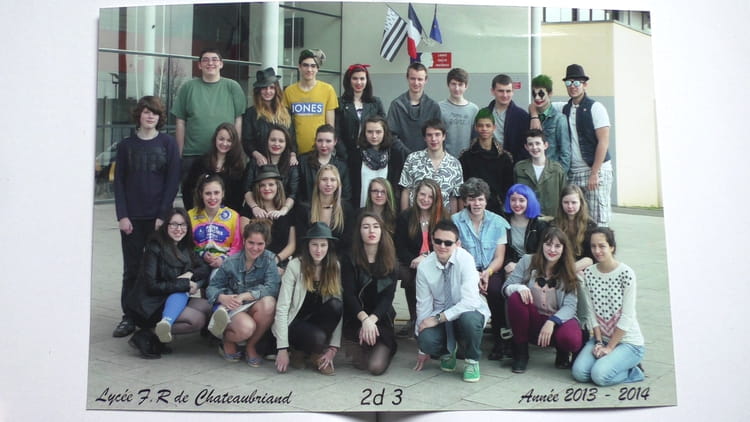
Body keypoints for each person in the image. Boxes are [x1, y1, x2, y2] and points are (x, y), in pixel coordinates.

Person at [113, 95, 181, 338]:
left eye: (155, 113)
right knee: (132, 269)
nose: (150, 116)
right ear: (139, 115)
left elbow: (172, 182)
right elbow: (118, 183)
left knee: (156, 270)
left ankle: (152, 315)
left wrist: (163, 216)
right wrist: (122, 216)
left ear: (159, 117)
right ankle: (129, 316)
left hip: (158, 219)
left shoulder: (168, 144)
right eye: (146, 112)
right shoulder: (125, 146)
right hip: (132, 219)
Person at [532, 64, 612, 226]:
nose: (573, 86)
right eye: (569, 83)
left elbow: (603, 142)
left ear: (585, 84)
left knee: (597, 220)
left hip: (595, 170)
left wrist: (594, 173)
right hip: (574, 173)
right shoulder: (564, 108)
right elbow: (537, 104)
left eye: (577, 82)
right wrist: (534, 116)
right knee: (575, 221)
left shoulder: (596, 108)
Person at [125, 208, 211, 358]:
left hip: (173, 297)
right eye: (174, 224)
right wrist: (184, 284)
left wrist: (191, 275)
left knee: (208, 306)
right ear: (166, 226)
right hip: (151, 305)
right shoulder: (154, 247)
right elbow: (152, 286)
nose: (179, 229)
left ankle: (159, 336)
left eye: (183, 225)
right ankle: (148, 334)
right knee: (197, 320)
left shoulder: (184, 246)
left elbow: (203, 267)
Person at [413, 220, 491, 383]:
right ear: (432, 241)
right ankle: (448, 351)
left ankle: (472, 360)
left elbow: (469, 302)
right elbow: (423, 305)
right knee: (426, 339)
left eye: (448, 243)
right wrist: (422, 347)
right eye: (438, 241)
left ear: (457, 244)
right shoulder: (424, 267)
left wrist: (439, 318)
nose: (442, 246)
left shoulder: (466, 260)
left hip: (466, 311)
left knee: (470, 320)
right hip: (440, 312)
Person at [503, 226, 583, 373]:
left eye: (557, 246)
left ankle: (562, 351)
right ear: (542, 245)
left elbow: (570, 306)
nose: (552, 250)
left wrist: (552, 321)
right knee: (515, 298)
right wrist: (519, 287)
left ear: (564, 249)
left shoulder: (568, 270)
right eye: (548, 244)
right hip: (532, 318)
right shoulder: (527, 261)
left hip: (556, 321)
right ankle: (521, 353)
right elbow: (505, 288)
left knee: (571, 338)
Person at [572, 227, 645, 386]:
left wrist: (610, 348)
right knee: (579, 373)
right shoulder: (589, 273)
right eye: (593, 246)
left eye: (602, 246)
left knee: (599, 376)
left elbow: (627, 316)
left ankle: (633, 370)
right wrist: (599, 342)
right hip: (602, 339)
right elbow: (591, 313)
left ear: (612, 247)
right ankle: (612, 364)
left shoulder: (626, 273)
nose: (597, 251)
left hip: (628, 342)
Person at [172, 48, 246, 198]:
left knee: (225, 197)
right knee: (191, 197)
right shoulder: (188, 88)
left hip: (224, 155)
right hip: (193, 154)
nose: (210, 63)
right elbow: (180, 122)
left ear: (221, 64)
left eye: (214, 59)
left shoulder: (232, 87)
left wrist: (235, 150)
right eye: (205, 60)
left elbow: (238, 120)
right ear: (199, 65)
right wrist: (179, 153)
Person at [205, 220, 281, 367]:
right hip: (234, 308)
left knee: (269, 303)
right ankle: (226, 339)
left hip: (253, 304)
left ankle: (251, 346)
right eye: (251, 243)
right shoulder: (231, 261)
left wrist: (245, 296)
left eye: (260, 244)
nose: (255, 248)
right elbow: (212, 288)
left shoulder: (269, 259)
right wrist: (222, 297)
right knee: (247, 328)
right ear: (244, 241)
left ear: (266, 244)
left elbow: (272, 287)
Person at [451, 178, 510, 361]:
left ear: (486, 200)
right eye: (471, 199)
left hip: (491, 270)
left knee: (495, 290)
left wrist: (487, 273)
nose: (476, 203)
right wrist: (474, 275)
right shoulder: (455, 221)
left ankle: (501, 339)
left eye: (480, 199)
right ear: (465, 201)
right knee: (461, 291)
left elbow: (499, 257)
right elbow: (456, 253)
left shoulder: (498, 222)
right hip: (465, 270)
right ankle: (462, 339)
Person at [272, 223, 343, 375]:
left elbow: (339, 312)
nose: (319, 250)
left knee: (336, 306)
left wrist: (333, 348)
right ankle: (300, 351)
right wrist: (282, 348)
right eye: (314, 244)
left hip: (316, 321)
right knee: (318, 337)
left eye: (323, 245)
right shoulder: (295, 266)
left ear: (329, 247)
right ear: (308, 245)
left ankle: (313, 354)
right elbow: (282, 307)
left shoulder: (334, 267)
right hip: (295, 322)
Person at [341, 212, 398, 375]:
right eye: (366, 227)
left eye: (376, 226)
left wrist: (371, 320)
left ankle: (386, 347)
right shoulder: (349, 259)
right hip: (356, 318)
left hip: (380, 319)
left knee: (375, 367)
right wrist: (364, 319)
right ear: (359, 231)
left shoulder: (391, 261)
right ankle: (358, 344)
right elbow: (349, 295)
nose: (371, 231)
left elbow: (388, 298)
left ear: (382, 231)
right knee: (361, 363)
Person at [394, 179, 444, 338]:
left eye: (430, 196)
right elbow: (400, 246)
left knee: (422, 278)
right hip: (410, 261)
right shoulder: (406, 216)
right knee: (407, 276)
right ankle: (415, 319)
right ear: (416, 195)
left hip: (436, 261)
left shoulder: (443, 218)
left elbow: (445, 247)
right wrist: (414, 260)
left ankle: (428, 320)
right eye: (422, 194)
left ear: (436, 199)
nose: (425, 199)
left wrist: (426, 258)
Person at [399, 119, 463, 214]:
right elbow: (406, 190)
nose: (433, 139)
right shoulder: (413, 159)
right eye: (429, 135)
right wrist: (404, 217)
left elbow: (454, 197)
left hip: (442, 219)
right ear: (424, 138)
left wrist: (452, 221)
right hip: (415, 218)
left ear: (444, 136)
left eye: (437, 134)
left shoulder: (455, 164)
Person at [239, 165, 296, 273]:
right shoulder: (249, 209)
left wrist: (275, 260)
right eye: (262, 185)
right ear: (258, 188)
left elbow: (292, 245)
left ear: (278, 186)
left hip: (280, 261)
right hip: (253, 260)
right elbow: (245, 239)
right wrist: (264, 264)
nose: (267, 188)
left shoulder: (287, 212)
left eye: (271, 184)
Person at [459, 108, 515, 215]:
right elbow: (462, 187)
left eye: (488, 126)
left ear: (494, 127)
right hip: (472, 208)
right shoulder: (466, 157)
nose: (484, 129)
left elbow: (508, 188)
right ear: (475, 127)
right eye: (480, 125)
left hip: (498, 210)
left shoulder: (504, 158)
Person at [283, 49, 339, 154]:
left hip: (320, 152)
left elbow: (330, 127)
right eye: (305, 65)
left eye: (313, 66)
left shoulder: (328, 90)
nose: (309, 69)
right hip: (296, 153)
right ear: (299, 67)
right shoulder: (289, 91)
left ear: (318, 69)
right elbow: (286, 125)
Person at [183, 122, 247, 211]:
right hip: (201, 214)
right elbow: (187, 190)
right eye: (221, 139)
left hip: (228, 215)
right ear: (215, 139)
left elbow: (239, 197)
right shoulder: (200, 163)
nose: (224, 143)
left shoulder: (238, 167)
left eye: (229, 140)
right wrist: (193, 212)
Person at [348, 116, 409, 208]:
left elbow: (397, 187)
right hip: (360, 209)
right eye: (370, 132)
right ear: (364, 133)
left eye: (378, 132)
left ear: (385, 133)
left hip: (387, 211)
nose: (374, 136)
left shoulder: (395, 156)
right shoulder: (355, 156)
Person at [295, 164, 354, 256]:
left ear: (338, 183)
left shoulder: (346, 209)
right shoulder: (305, 208)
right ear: (317, 182)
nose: (328, 184)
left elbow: (348, 243)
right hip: (310, 258)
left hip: (338, 259)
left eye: (333, 180)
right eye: (324, 179)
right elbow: (301, 242)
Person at [242, 67, 297, 165]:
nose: (268, 91)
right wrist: (257, 155)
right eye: (264, 88)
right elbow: (247, 141)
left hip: (284, 163)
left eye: (271, 87)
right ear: (259, 90)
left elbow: (292, 139)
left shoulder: (287, 112)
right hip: (261, 163)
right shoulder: (251, 113)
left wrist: (293, 155)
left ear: (276, 89)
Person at [188, 174, 243, 273]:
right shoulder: (190, 215)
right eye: (208, 193)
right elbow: (186, 244)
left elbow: (238, 246)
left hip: (225, 263)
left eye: (216, 193)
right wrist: (202, 254)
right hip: (196, 262)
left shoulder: (233, 216)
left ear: (223, 194)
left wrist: (223, 259)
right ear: (201, 194)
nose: (212, 197)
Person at [386, 62, 442, 152]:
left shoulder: (433, 107)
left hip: (427, 157)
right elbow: (391, 134)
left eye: (420, 79)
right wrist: (408, 154)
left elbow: (438, 135)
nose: (416, 83)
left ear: (426, 80)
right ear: (407, 78)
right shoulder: (396, 105)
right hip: (401, 157)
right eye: (413, 78)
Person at [335, 63, 386, 161]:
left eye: (362, 79)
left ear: (367, 80)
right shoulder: (340, 103)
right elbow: (337, 131)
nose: (358, 82)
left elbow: (384, 127)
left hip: (372, 154)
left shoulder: (376, 102)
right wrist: (344, 154)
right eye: (355, 78)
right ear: (349, 80)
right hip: (347, 155)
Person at [513, 129, 567, 217]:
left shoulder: (557, 169)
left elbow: (563, 195)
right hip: (527, 217)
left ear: (545, 145)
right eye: (530, 144)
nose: (534, 147)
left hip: (551, 218)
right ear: (526, 147)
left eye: (538, 143)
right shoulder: (519, 168)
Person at [502, 184, 549, 276]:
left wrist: (521, 265)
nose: (517, 204)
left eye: (521, 200)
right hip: (512, 268)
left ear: (529, 202)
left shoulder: (539, 224)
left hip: (535, 267)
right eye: (513, 200)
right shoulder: (503, 222)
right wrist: (508, 263)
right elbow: (504, 251)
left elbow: (544, 252)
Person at [297, 124, 352, 203]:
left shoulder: (342, 166)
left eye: (328, 141)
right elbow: (297, 193)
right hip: (307, 208)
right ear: (315, 141)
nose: (323, 145)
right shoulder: (303, 161)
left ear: (335, 142)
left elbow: (346, 196)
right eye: (320, 141)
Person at [483, 74, 530, 162]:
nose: (505, 95)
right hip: (488, 162)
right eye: (501, 91)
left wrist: (516, 164)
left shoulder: (522, 116)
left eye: (508, 91)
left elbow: (526, 144)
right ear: (492, 91)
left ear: (513, 92)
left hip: (512, 165)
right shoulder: (484, 114)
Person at [529, 74, 571, 172]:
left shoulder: (559, 119)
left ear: (550, 93)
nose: (537, 98)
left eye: (541, 94)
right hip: (532, 172)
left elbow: (565, 153)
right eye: (534, 94)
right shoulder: (530, 117)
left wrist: (560, 176)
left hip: (552, 173)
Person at [553, 184, 597, 272]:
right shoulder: (554, 224)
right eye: (566, 202)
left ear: (581, 203)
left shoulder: (591, 226)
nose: (570, 206)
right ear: (561, 203)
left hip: (582, 267)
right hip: (558, 265)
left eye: (574, 202)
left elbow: (591, 257)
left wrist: (573, 269)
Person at [439, 68, 479, 158]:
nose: (457, 88)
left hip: (467, 159)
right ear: (448, 85)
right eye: (453, 84)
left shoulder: (474, 109)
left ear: (466, 86)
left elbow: (475, 138)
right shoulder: (439, 108)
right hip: (444, 159)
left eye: (460, 84)